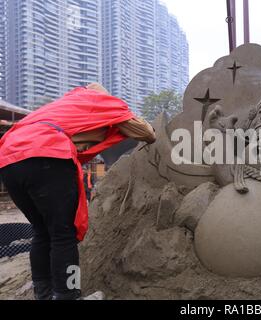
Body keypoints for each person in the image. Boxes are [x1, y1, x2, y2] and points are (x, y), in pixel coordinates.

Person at [0, 83, 156, 300]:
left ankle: (43, 294)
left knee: (42, 231)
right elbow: (146, 132)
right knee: (64, 234)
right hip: (47, 153)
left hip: (8, 159)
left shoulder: (64, 106)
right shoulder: (102, 102)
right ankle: (68, 295)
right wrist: (153, 133)